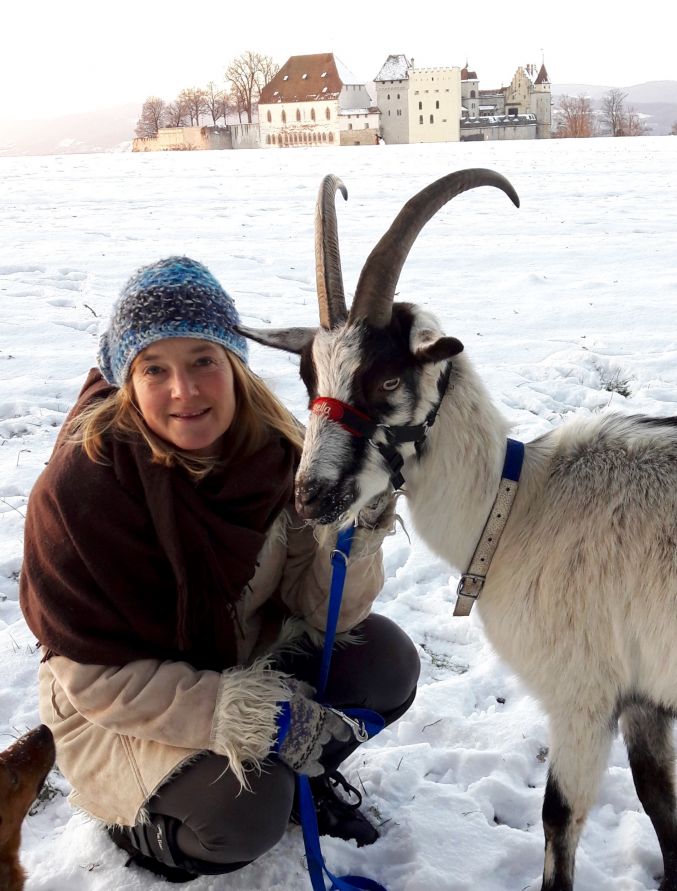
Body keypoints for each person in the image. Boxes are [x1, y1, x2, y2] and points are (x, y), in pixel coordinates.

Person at [20, 256, 420, 883]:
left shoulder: (278, 453)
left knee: (387, 661)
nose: (185, 391)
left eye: (203, 360)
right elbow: (94, 682)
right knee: (243, 814)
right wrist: (248, 712)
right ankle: (142, 824)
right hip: (118, 707)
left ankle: (295, 772)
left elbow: (317, 610)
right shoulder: (81, 493)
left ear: (234, 362)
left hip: (239, 656)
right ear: (128, 378)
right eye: (156, 368)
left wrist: (353, 538)